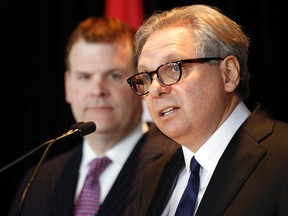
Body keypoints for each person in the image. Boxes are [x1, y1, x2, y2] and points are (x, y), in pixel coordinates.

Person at [126, 4, 288, 216]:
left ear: (228, 74)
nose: (155, 90)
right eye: (146, 77)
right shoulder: (153, 176)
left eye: (174, 67)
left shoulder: (283, 156)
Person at [8, 16, 178, 216]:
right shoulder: (38, 180)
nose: (97, 90)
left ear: (140, 83)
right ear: (68, 86)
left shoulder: (176, 164)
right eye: (85, 77)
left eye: (114, 75)